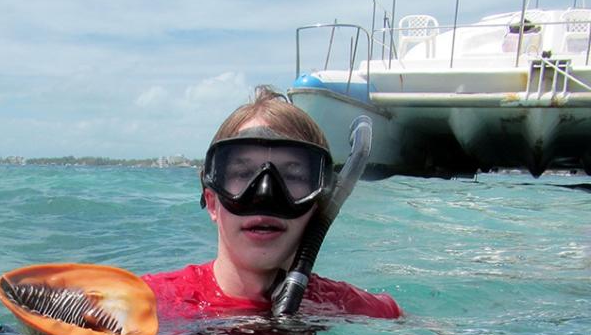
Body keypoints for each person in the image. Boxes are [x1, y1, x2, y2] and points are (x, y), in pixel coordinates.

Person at [142, 86, 402, 321]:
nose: (264, 194)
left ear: (320, 204)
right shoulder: (149, 302)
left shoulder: (350, 309)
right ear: (212, 201)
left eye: (293, 176)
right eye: (243, 174)